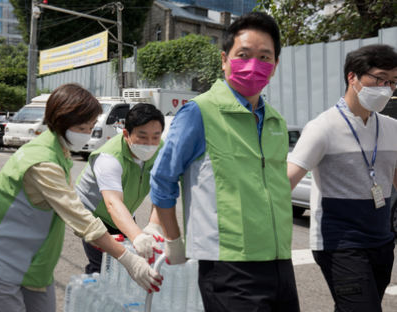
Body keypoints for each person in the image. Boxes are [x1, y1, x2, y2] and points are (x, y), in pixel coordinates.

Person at [149, 12, 300, 311]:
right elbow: (162, 180)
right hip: (229, 267)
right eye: (243, 55)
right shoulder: (199, 113)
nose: (254, 64)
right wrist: (174, 241)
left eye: (264, 57)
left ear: (275, 65)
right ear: (224, 59)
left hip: (281, 262)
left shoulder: (276, 122)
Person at [0, 84, 162, 312]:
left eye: (90, 127)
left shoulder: (59, 149)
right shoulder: (42, 161)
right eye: (81, 127)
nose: (86, 134)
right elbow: (78, 215)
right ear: (59, 121)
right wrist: (128, 259)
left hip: (35, 261)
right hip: (3, 258)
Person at [287, 44, 397, 311]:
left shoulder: (392, 128)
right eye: (380, 78)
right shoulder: (322, 127)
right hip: (339, 243)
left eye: (393, 82)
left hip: (382, 240)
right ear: (353, 77)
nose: (387, 88)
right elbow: (285, 180)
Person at [76, 103, 166, 274]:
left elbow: (163, 189)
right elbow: (112, 203)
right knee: (104, 267)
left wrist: (153, 225)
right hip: (95, 215)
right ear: (126, 134)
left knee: (130, 265)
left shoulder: (161, 149)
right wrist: (137, 236)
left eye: (155, 136)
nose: (150, 143)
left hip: (124, 212)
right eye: (142, 136)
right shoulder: (109, 158)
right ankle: (93, 293)